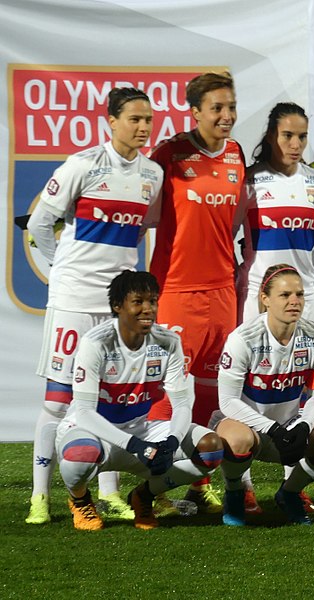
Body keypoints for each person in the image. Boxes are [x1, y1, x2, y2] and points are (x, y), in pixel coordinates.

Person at [25, 87, 163, 525]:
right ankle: (40, 496)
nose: (143, 128)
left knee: (112, 399)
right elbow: (40, 224)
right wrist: (62, 270)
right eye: (134, 119)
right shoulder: (82, 165)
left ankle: (110, 494)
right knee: (58, 400)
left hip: (118, 307)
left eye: (148, 120)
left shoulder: (152, 175)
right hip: (72, 301)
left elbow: (144, 228)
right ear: (111, 121)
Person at [146, 71, 248, 513]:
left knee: (211, 392)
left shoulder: (237, 154)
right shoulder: (169, 153)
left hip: (222, 290)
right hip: (176, 289)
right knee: (169, 391)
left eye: (231, 107)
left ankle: (197, 484)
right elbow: (146, 214)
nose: (226, 116)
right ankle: (156, 489)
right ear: (195, 112)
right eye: (217, 109)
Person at [54, 271, 224, 530]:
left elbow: (181, 404)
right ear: (117, 306)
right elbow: (86, 413)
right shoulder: (96, 343)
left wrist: (172, 441)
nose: (148, 309)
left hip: (141, 429)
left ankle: (144, 496)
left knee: (210, 448)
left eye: (153, 301)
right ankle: (80, 500)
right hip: (90, 430)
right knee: (80, 455)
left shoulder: (168, 341)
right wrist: (135, 446)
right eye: (138, 302)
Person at [214, 265, 314, 526]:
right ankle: (235, 492)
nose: (294, 301)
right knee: (236, 440)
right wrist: (272, 429)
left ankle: (289, 492)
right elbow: (227, 402)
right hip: (247, 426)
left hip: (290, 425)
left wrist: (304, 425)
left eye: (300, 295)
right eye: (285, 295)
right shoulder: (243, 339)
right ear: (265, 299)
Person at [238, 102, 314, 325]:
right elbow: (227, 235)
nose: (295, 144)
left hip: (303, 296)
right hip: (258, 296)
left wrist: (298, 271)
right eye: (287, 135)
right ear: (271, 136)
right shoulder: (249, 181)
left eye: (302, 137)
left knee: (304, 361)